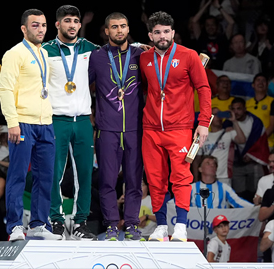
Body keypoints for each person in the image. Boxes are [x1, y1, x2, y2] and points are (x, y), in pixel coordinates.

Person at [140, 11, 212, 242]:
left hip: (179, 127)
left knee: (181, 177)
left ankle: (180, 225)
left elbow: (204, 89)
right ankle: (161, 226)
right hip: (151, 129)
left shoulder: (189, 56)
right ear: (151, 35)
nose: (163, 36)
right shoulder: (143, 58)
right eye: (157, 32)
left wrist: (203, 123)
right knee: (155, 179)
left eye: (166, 31)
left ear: (173, 32)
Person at [0, 8, 61, 241]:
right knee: (18, 175)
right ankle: (15, 225)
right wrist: (12, 123)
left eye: (43, 25)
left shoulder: (44, 53)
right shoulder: (14, 54)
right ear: (24, 28)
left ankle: (38, 224)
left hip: (45, 123)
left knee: (45, 177)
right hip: (22, 123)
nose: (41, 29)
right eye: (35, 25)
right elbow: (4, 89)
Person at [41, 5, 101, 241]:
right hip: (56, 120)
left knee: (85, 174)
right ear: (58, 24)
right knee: (53, 172)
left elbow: (116, 53)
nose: (73, 25)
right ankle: (55, 220)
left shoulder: (89, 48)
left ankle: (80, 222)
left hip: (84, 120)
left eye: (76, 21)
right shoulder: (45, 50)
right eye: (68, 20)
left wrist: (139, 48)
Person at [88, 12, 144, 241]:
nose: (119, 30)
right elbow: (82, 86)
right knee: (107, 181)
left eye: (122, 26)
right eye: (114, 27)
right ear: (106, 31)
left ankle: (131, 225)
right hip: (107, 129)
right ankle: (111, 225)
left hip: (135, 128)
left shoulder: (141, 55)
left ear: (128, 29)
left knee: (133, 180)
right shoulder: (97, 57)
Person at [226, 97, 270, 202]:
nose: (236, 112)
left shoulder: (255, 122)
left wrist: (251, 155)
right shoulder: (228, 123)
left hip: (254, 162)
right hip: (237, 164)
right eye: (234, 109)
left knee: (256, 192)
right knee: (238, 193)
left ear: (245, 109)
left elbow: (261, 142)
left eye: (239, 109)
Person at [192, 107, 246, 185]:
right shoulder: (200, 136)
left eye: (220, 114)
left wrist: (234, 121)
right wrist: (196, 179)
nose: (218, 117)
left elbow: (242, 140)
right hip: (206, 176)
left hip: (224, 177)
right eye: (215, 114)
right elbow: (195, 160)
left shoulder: (229, 133)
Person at [191, 0, 234, 69]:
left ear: (217, 26)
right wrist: (208, 3)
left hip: (220, 73)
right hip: (204, 72)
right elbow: (194, 21)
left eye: (212, 25)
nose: (210, 27)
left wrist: (218, 7)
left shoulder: (223, 38)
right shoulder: (201, 37)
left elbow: (231, 22)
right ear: (204, 27)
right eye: (207, 25)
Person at [246, 73, 274, 149]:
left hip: (267, 144)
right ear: (253, 85)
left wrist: (259, 141)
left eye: (263, 81)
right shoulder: (246, 104)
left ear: (267, 85)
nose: (261, 83)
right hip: (249, 144)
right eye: (258, 80)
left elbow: (272, 125)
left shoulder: (272, 102)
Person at [138, 174, 157, 241]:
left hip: (151, 235)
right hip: (136, 235)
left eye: (142, 185)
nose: (140, 188)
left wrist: (146, 217)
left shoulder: (152, 200)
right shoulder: (133, 202)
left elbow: (159, 218)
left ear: (147, 187)